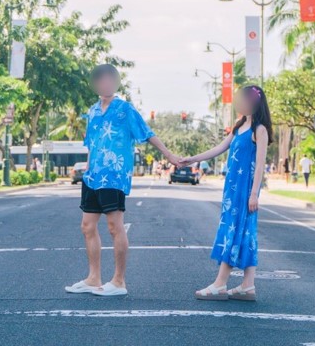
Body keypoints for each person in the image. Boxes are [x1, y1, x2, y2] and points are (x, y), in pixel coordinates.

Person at [65, 64, 180, 297]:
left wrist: (170, 156)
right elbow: (92, 143)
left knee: (114, 226)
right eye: (101, 80)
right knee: (87, 226)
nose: (105, 84)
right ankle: (93, 278)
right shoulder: (93, 111)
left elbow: (147, 133)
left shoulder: (124, 109)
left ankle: (118, 281)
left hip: (114, 174)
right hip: (93, 175)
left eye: (109, 80)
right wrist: (87, 168)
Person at [183, 85, 273, 302]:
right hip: (232, 190)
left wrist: (254, 194)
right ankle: (247, 285)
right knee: (246, 234)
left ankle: (220, 283)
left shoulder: (259, 130)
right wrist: (193, 158)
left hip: (244, 191)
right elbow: (219, 149)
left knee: (233, 230)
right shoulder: (240, 126)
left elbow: (260, 164)